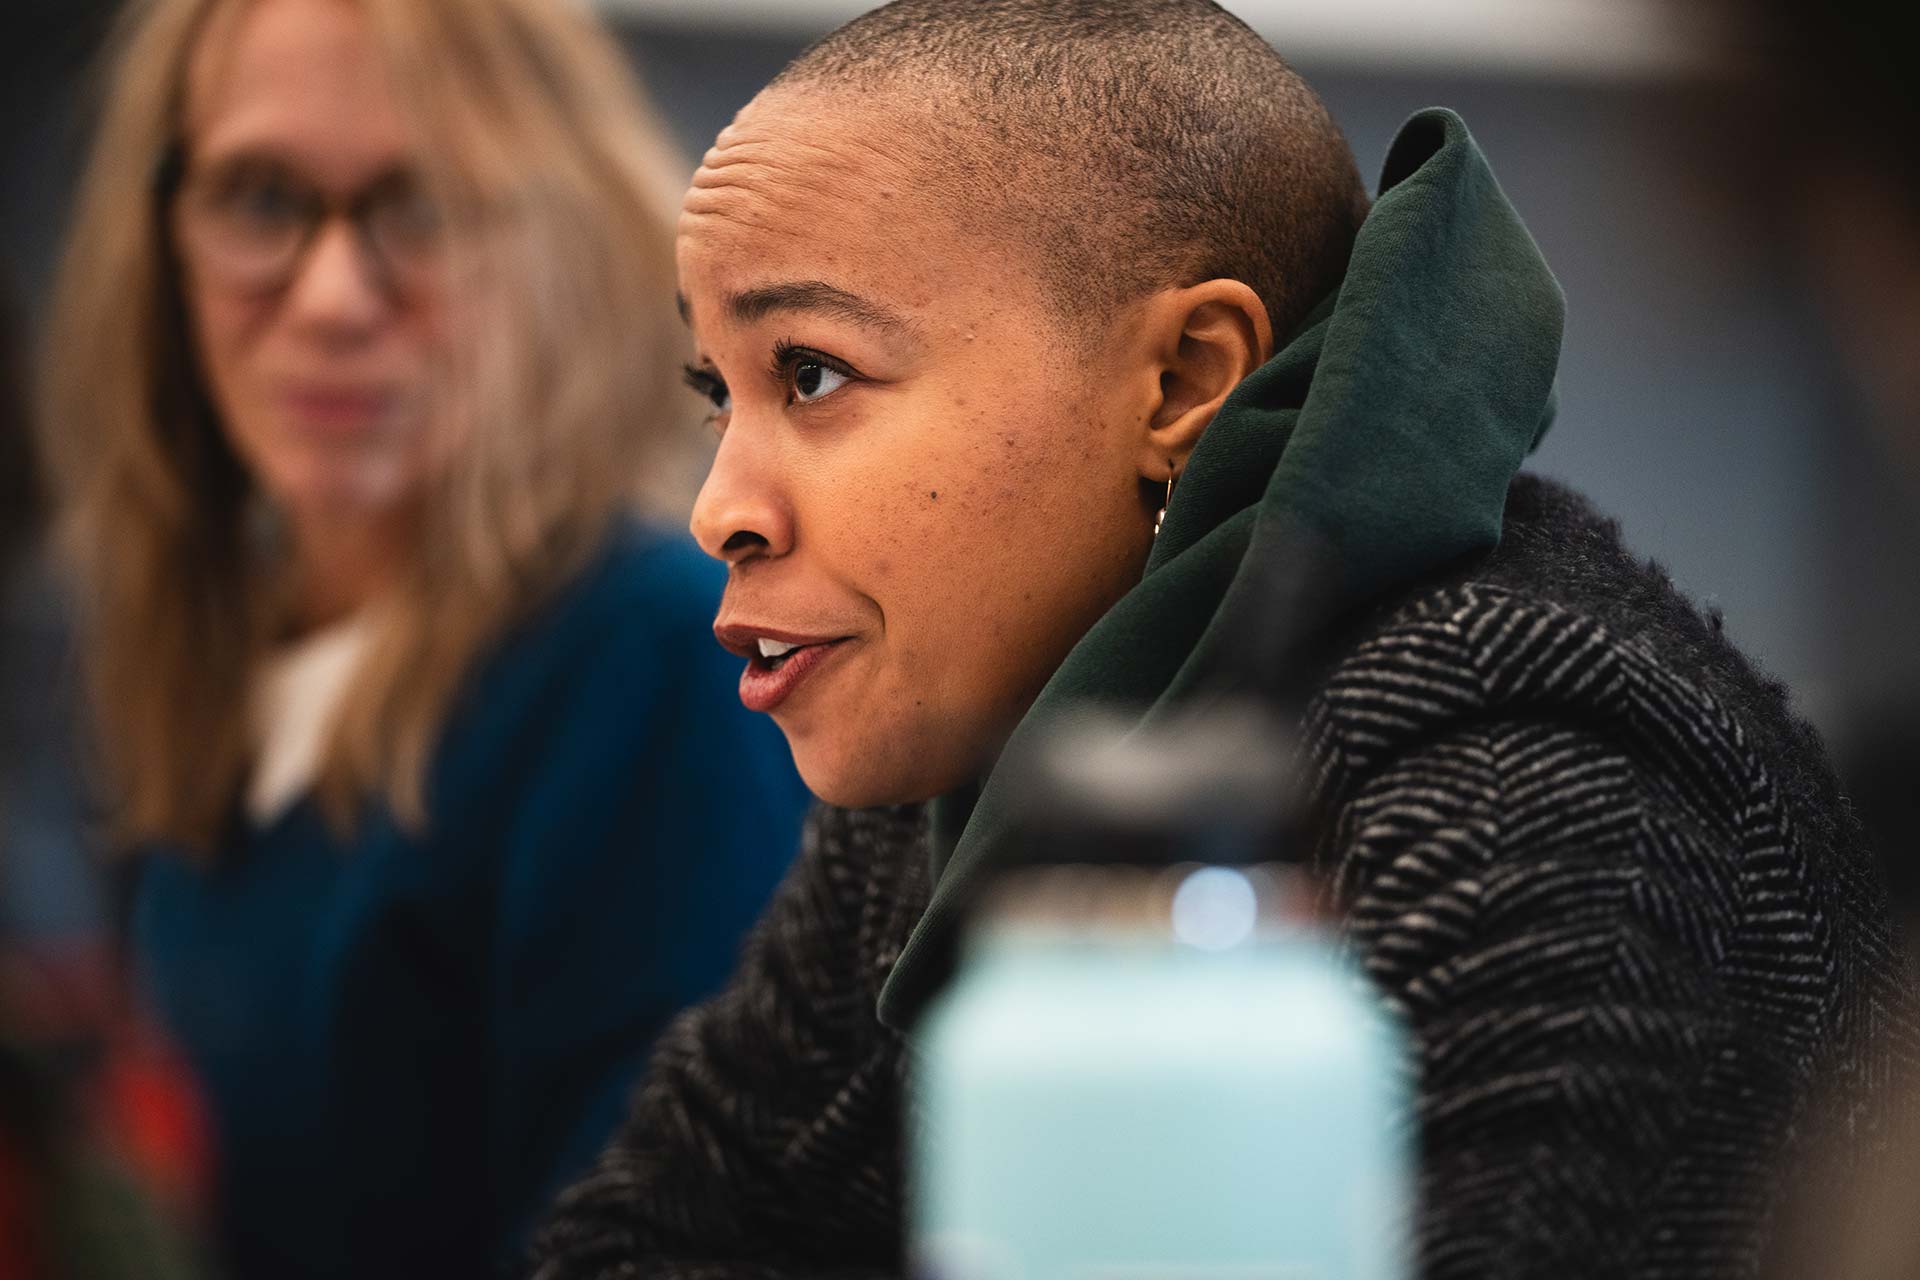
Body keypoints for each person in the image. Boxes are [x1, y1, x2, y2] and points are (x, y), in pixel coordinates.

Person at [530, 2, 1914, 1277]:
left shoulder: (1527, 783)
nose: (719, 508)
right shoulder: (991, 724)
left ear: (1187, 381)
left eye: (813, 374)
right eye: (720, 391)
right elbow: (651, 1235)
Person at [35, 0, 811, 1276]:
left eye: (425, 205)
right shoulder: (218, 655)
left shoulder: (642, 661)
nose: (334, 296)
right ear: (162, 233)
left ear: (555, 241)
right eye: (259, 196)